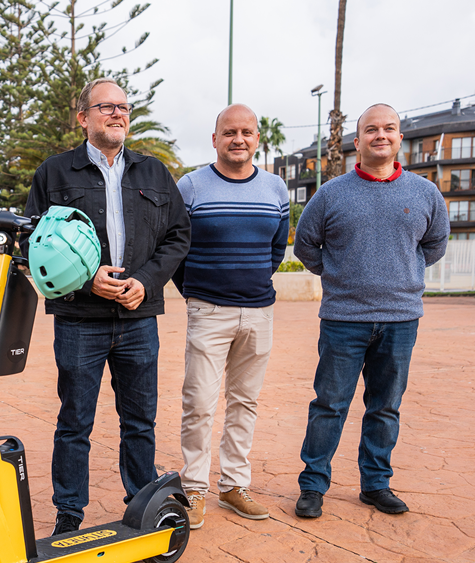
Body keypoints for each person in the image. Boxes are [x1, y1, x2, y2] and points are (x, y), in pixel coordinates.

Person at [23, 77, 190, 535]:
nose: (117, 114)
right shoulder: (54, 174)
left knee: (140, 420)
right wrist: (83, 280)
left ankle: (143, 505)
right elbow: (33, 243)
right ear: (83, 118)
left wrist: (148, 281)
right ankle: (68, 515)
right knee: (75, 421)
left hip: (139, 319)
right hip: (80, 321)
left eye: (123, 107)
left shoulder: (153, 173)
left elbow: (179, 235)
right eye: (106, 107)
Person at [293, 103, 449, 518]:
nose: (381, 135)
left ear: (400, 139)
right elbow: (305, 245)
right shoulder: (331, 194)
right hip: (344, 319)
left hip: (400, 319)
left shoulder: (425, 193)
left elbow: (435, 244)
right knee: (329, 404)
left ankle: (376, 484)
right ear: (357, 141)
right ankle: (313, 486)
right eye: (372, 129)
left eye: (390, 129)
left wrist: (404, 273)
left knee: (385, 406)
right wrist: (340, 275)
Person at [171, 104, 289, 529]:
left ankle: (234, 485)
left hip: (259, 311)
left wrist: (250, 283)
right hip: (208, 310)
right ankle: (194, 489)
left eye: (247, 132)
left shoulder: (276, 188)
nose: (239, 139)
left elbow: (276, 248)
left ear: (257, 138)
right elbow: (176, 247)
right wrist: (198, 294)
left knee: (245, 402)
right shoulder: (191, 186)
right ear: (215, 139)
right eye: (230, 132)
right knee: (199, 403)